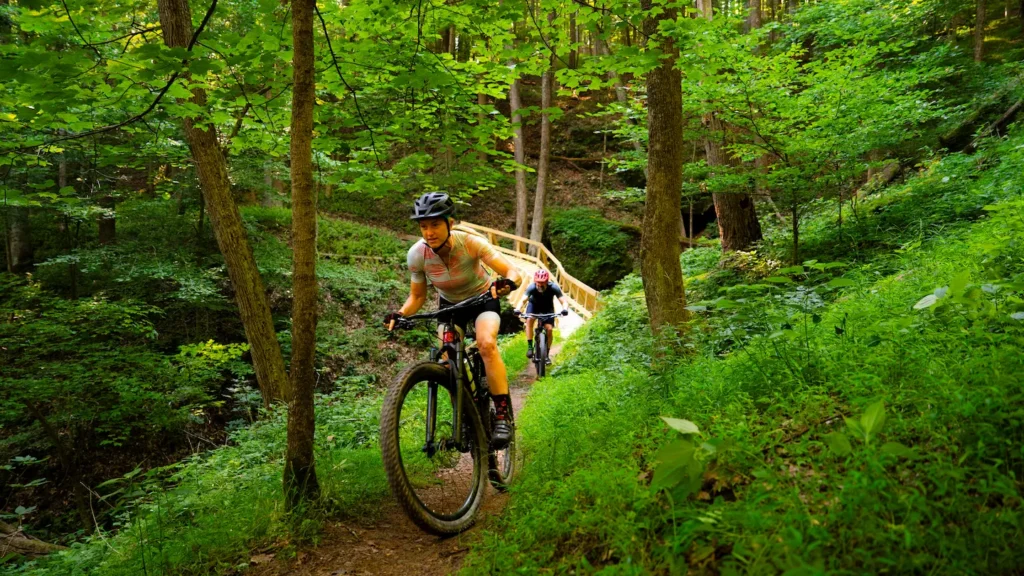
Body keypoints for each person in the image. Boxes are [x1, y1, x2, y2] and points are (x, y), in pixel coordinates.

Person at [384, 192, 523, 450]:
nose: (429, 232)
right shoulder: (417, 255)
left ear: (451, 223)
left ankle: (503, 416)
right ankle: (466, 417)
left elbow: (512, 271)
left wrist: (507, 283)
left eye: (435, 224)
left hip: (483, 299)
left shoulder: (470, 242)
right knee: (447, 359)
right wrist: (401, 314)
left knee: (486, 344)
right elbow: (417, 296)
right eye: (423, 226)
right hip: (449, 306)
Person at [518, 269, 569, 363]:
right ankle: (530, 347)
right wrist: (518, 309)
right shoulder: (532, 287)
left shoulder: (553, 287)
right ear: (535, 281)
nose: (540, 285)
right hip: (533, 306)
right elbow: (523, 299)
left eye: (542, 283)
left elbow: (563, 301)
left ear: (547, 282)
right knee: (529, 320)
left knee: (549, 329)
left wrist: (565, 309)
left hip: (547, 308)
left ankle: (546, 355)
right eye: (538, 283)